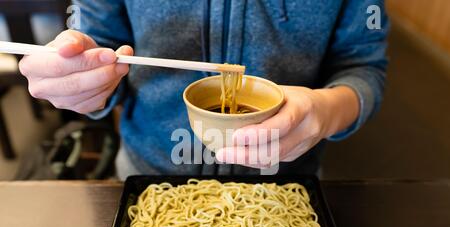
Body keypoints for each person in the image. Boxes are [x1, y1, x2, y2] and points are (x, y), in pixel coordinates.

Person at [18, 0, 389, 179]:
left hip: (289, 181)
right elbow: (102, 44)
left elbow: (363, 66)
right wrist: (81, 81)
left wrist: (326, 111)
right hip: (147, 176)